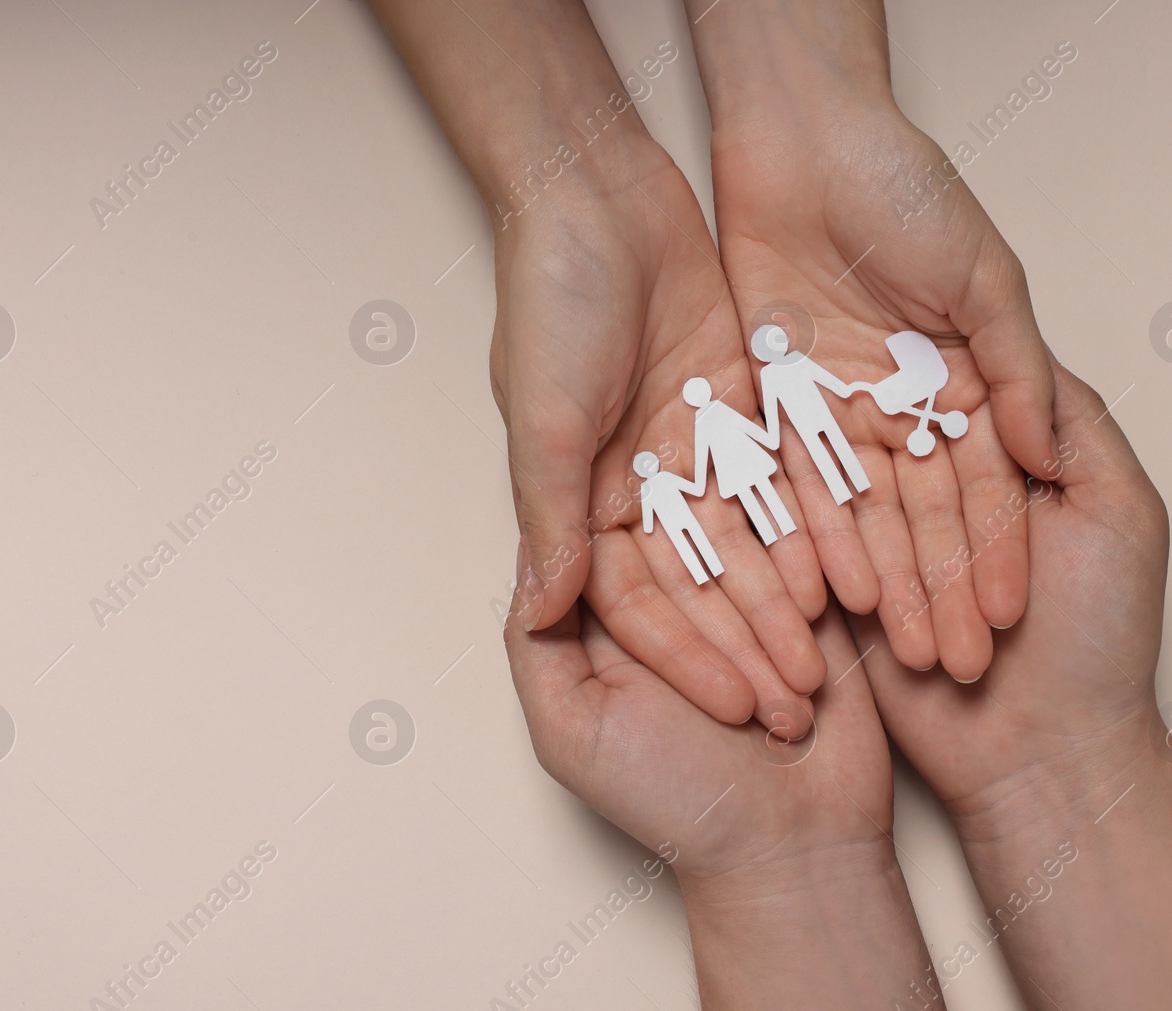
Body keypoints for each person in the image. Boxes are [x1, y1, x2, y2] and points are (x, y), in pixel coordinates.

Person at [506, 359, 1172, 1011]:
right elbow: (734, 446)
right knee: (778, 501)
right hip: (743, 483)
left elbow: (785, 418)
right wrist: (781, 864)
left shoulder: (762, 404)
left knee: (809, 479)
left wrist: (784, 876)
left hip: (779, 462)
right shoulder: (719, 437)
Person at [365, 0, 1053, 696]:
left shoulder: (777, 379)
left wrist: (811, 107)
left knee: (832, 464)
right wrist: (570, 169)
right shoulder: (726, 422)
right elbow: (770, 423)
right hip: (763, 448)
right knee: (816, 471)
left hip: (781, 438)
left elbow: (792, 408)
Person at [751, 323, 871, 504]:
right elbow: (825, 378)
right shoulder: (789, 363)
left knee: (822, 450)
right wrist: (844, 390)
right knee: (837, 444)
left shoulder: (770, 372)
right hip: (814, 413)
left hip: (807, 416)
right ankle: (853, 485)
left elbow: (771, 407)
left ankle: (844, 489)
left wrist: (773, 434)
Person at [683, 376, 798, 544]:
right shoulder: (717, 410)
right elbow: (744, 426)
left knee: (749, 495)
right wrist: (767, 438)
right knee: (762, 488)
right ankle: (783, 525)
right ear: (707, 392)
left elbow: (702, 452)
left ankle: (771, 532)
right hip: (743, 455)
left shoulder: (703, 419)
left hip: (730, 463)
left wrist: (699, 482)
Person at [634, 450, 724, 584]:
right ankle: (705, 573)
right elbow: (647, 508)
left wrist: (648, 527)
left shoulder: (656, 482)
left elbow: (690, 488)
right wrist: (648, 526)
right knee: (688, 545)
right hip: (675, 520)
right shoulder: (657, 482)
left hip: (680, 517)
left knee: (692, 543)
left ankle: (710, 570)